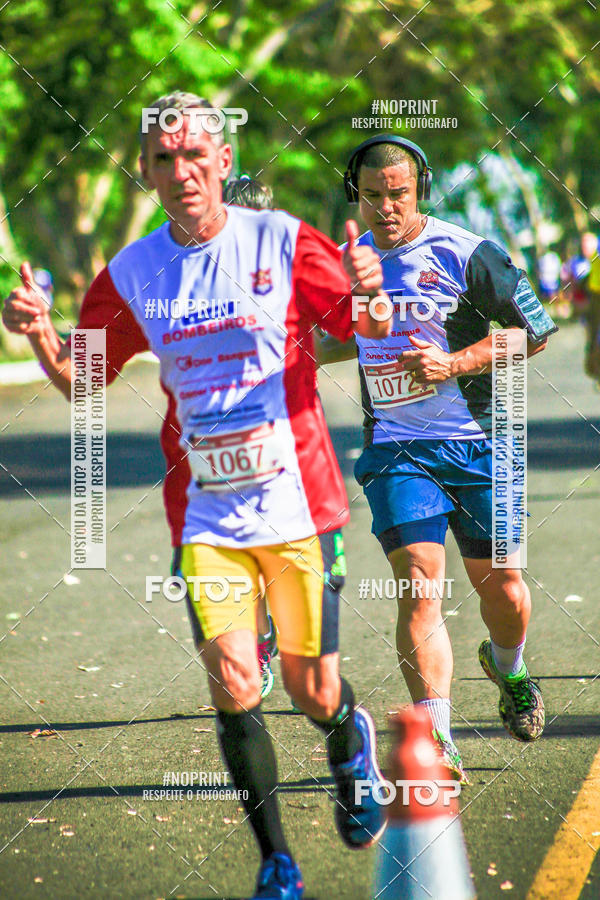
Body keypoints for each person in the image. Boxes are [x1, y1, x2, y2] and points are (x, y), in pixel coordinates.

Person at [2, 93, 391, 900]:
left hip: (297, 503)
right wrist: (40, 332)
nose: (182, 173)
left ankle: (348, 734)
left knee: (309, 688)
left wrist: (372, 291)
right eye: (163, 160)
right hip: (206, 514)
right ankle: (276, 861)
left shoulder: (282, 241)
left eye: (194, 157)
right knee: (234, 683)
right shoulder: (132, 274)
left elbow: (360, 327)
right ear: (145, 172)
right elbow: (84, 379)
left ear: (222, 161)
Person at [318, 135, 557, 784]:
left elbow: (532, 333)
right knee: (420, 586)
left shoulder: (467, 252)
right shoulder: (347, 261)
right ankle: (438, 738)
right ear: (356, 195)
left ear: (420, 186)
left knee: (504, 590)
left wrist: (456, 362)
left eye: (398, 194)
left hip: (481, 443)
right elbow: (329, 339)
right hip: (397, 449)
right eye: (373, 196)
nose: (386, 208)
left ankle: (508, 667)